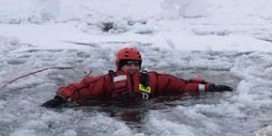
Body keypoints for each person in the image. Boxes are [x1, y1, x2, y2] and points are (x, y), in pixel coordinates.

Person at [41, 46, 232, 107]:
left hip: (142, 115)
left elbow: (181, 85)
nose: (132, 67)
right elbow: (81, 87)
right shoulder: (107, 80)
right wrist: (61, 97)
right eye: (128, 64)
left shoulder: (152, 79)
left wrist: (209, 87)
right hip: (116, 117)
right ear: (120, 66)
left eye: (135, 64)